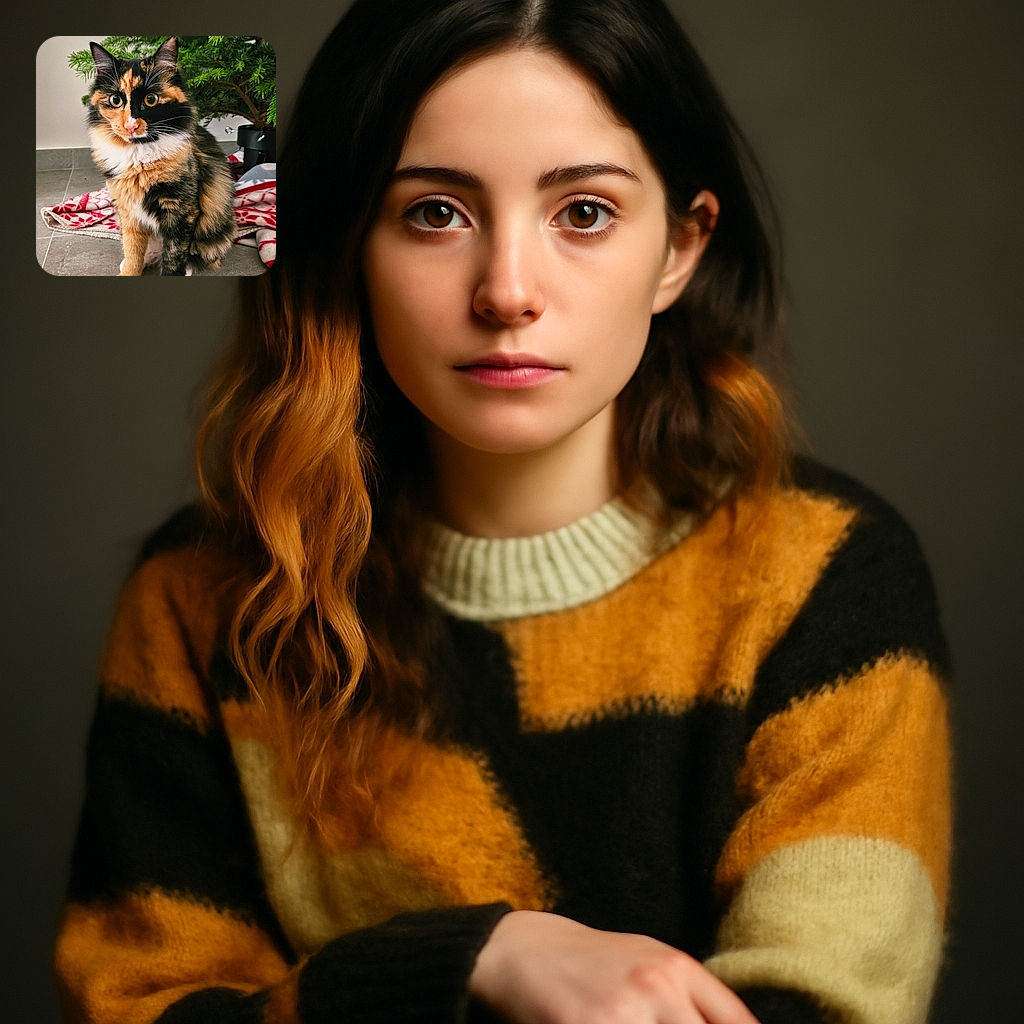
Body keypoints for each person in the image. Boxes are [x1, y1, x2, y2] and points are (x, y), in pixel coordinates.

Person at [54, 1, 951, 1022]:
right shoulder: (199, 596)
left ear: (680, 248)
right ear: (349, 245)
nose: (508, 291)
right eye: (434, 212)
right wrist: (474, 957)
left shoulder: (828, 574)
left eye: (584, 212)